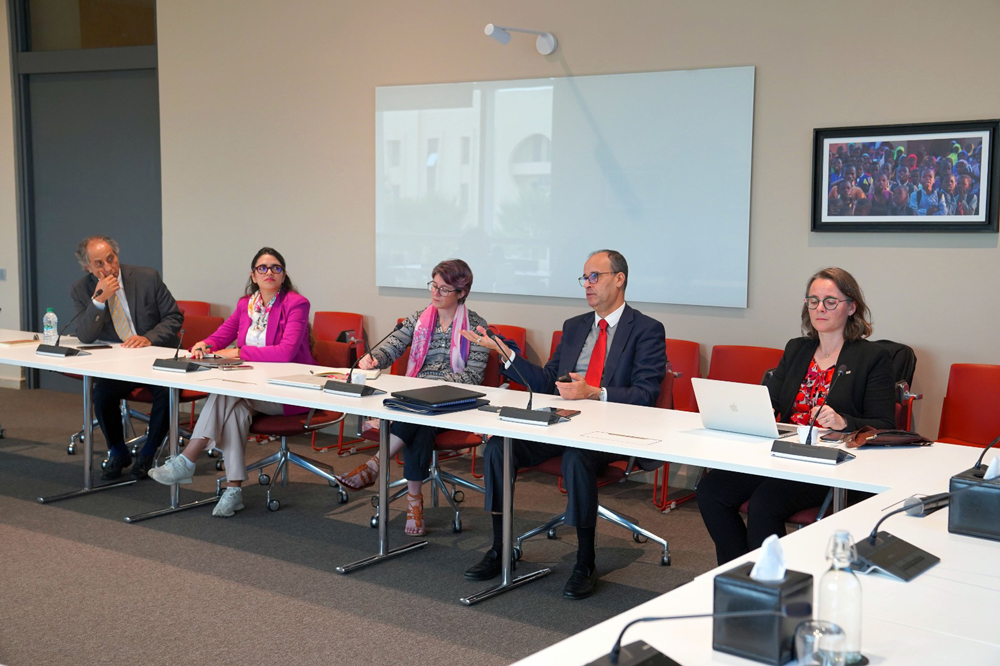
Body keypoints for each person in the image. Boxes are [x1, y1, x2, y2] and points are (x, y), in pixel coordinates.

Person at [463, 250, 666, 600]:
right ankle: (500, 547)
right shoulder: (574, 327)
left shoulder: (646, 330)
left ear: (619, 279)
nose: (587, 285)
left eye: (594, 277)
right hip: (562, 422)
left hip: (609, 431)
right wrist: (506, 354)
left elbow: (646, 393)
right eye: (584, 278)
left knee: (576, 457)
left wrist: (595, 392)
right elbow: (545, 382)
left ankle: (585, 561)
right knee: (499, 447)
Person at [696, 267, 895, 565]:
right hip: (782, 452)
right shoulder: (797, 348)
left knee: (765, 503)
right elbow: (770, 400)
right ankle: (737, 571)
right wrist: (747, 412)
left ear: (851, 307)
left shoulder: (872, 357)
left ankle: (773, 584)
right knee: (711, 490)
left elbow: (885, 425)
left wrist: (843, 423)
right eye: (813, 300)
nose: (819, 308)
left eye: (830, 301)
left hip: (829, 462)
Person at [148, 247, 315, 517]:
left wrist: (239, 353)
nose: (269, 272)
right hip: (250, 388)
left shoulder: (296, 303)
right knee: (234, 411)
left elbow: (285, 352)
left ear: (283, 275)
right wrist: (207, 343)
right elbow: (224, 333)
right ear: (253, 274)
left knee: (225, 393)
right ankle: (233, 489)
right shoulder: (246, 304)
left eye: (276, 268)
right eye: (263, 268)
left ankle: (188, 457)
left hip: (286, 390)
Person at [336, 259, 489, 536]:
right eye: (433, 286)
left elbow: (472, 377)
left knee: (420, 415)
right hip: (416, 400)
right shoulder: (418, 319)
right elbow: (392, 348)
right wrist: (374, 359)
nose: (436, 294)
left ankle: (376, 466)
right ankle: (413, 502)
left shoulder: (477, 326)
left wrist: (433, 389)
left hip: (454, 402)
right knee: (420, 421)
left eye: (444, 289)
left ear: (462, 293)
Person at [70, 235, 183, 481]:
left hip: (155, 357)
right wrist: (99, 300)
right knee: (101, 394)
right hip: (121, 364)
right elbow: (86, 336)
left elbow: (174, 317)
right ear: (88, 268)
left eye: (111, 259)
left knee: (166, 392)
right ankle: (118, 452)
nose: (108, 268)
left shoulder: (146, 277)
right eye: (99, 264)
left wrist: (149, 338)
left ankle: (148, 453)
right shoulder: (82, 289)